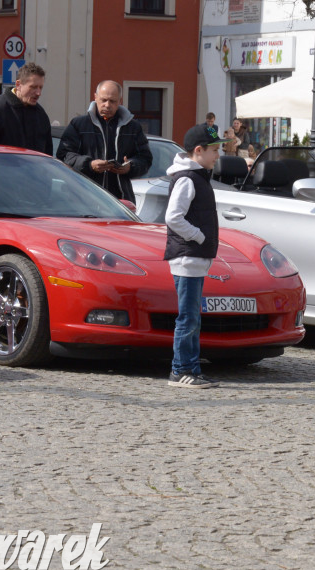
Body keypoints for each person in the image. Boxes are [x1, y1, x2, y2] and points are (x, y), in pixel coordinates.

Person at [164, 123, 225, 389]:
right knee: (188, 318)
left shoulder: (197, 176)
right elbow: (173, 217)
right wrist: (199, 236)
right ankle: (180, 371)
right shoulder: (188, 179)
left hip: (194, 258)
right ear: (198, 151)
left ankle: (192, 369)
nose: (217, 155)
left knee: (193, 317)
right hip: (187, 258)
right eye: (214, 150)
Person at [56, 80, 153, 204]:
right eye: (104, 100)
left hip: (120, 201)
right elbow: (64, 156)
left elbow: (146, 159)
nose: (107, 105)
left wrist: (130, 166)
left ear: (120, 101)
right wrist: (90, 165)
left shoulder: (133, 127)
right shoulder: (78, 125)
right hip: (82, 200)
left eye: (112, 101)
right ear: (95, 97)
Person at [0, 62, 52, 155]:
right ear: (18, 84)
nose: (38, 93)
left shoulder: (41, 115)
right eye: (33, 87)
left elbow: (47, 154)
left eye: (40, 87)